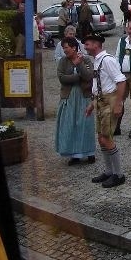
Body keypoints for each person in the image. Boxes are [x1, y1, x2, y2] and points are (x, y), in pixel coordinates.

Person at [83, 33, 127, 189]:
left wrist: (119, 104)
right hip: (100, 101)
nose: (85, 47)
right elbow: (98, 84)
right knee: (101, 138)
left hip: (109, 101)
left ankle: (119, 174)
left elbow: (121, 81)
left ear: (96, 44)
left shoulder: (107, 60)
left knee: (106, 137)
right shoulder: (97, 60)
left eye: (87, 44)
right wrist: (92, 104)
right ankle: (109, 171)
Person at [55, 36, 96, 165]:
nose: (64, 50)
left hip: (84, 96)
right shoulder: (63, 61)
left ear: (74, 48)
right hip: (69, 96)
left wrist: (79, 64)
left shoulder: (85, 59)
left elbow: (89, 76)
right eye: (63, 48)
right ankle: (74, 154)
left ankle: (89, 152)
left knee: (85, 124)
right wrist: (78, 76)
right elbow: (62, 78)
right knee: (70, 124)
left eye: (66, 47)